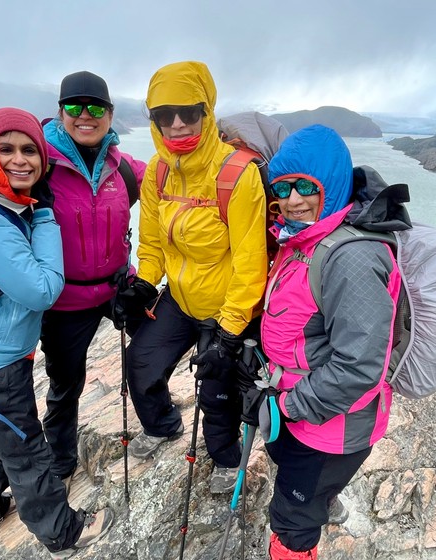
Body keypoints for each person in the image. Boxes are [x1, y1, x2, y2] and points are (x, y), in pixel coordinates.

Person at [0, 71, 146, 487]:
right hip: (65, 303)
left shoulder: (123, 167)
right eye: (74, 107)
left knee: (157, 346)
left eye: (95, 107)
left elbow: (177, 178)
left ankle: (159, 416)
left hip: (119, 288)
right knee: (66, 385)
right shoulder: (39, 159)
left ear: (111, 114)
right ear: (60, 112)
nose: (85, 115)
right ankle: (61, 461)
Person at [0, 107, 113, 557]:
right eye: (6, 149)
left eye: (30, 150)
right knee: (25, 451)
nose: (20, 159)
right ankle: (63, 532)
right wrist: (47, 216)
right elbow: (43, 290)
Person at [242, 125, 400, 559]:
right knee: (303, 492)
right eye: (283, 187)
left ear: (330, 184)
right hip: (302, 411)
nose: (292, 199)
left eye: (306, 186)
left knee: (293, 522)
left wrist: (285, 407)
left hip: (329, 429)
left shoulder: (351, 256)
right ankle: (321, 502)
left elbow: (360, 366)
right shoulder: (305, 239)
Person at [114, 61, 268, 494]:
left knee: (216, 394)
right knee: (141, 364)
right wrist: (144, 283)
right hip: (180, 299)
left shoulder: (237, 174)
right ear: (154, 121)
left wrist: (230, 331)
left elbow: (250, 261)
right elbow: (152, 244)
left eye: (189, 112)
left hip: (224, 309)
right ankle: (163, 425)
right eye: (165, 115)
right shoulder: (159, 172)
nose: (178, 123)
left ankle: (225, 456)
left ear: (208, 111)